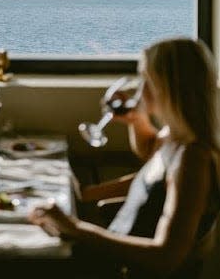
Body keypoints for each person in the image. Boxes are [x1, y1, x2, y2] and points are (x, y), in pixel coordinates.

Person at [29, 38, 220, 279]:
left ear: (168, 86)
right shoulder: (174, 136)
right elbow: (149, 159)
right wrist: (137, 120)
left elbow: (165, 258)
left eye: (145, 80)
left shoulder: (193, 160)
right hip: (114, 259)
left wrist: (77, 229)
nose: (139, 90)